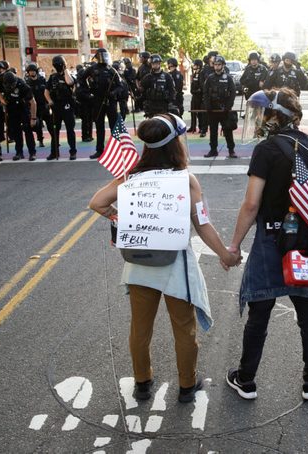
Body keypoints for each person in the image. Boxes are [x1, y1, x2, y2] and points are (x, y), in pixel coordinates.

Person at [88, 113, 240, 403]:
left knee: (140, 328)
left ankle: (142, 383)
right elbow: (203, 224)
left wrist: (119, 217)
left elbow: (97, 202)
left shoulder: (131, 177)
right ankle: (186, 385)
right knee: (184, 328)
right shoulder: (186, 179)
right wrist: (226, 255)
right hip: (174, 267)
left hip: (139, 263)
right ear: (176, 144)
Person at [224, 87, 308, 401]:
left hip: (270, 238)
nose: (256, 120)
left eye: (261, 113)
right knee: (307, 310)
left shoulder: (266, 150)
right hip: (304, 242)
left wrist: (234, 245)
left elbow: (251, 204)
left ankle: (247, 379)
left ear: (274, 116)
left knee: (260, 311)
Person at [87, 48, 127, 159]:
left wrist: (113, 93)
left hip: (110, 101)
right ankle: (99, 150)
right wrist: (88, 93)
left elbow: (120, 86)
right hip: (97, 101)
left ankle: (117, 150)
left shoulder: (111, 70)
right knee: (99, 127)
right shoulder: (92, 69)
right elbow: (81, 79)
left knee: (114, 127)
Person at [0, 71, 37, 161]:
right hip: (11, 108)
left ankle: (32, 152)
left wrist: (33, 118)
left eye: (12, 85)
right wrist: (2, 100)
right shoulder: (2, 81)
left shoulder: (23, 86)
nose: (10, 87)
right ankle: (19, 152)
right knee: (16, 131)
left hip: (23, 107)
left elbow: (33, 103)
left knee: (27, 130)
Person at [203, 55, 236, 158]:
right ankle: (213, 150)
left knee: (227, 130)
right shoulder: (210, 78)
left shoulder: (228, 78)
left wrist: (228, 107)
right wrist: (207, 106)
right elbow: (205, 93)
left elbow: (233, 93)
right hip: (213, 110)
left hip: (224, 110)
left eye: (219, 65)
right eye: (215, 64)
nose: (217, 66)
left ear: (223, 65)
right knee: (213, 131)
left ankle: (231, 150)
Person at [44, 55, 77, 160]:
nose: (58, 66)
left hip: (67, 106)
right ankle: (54, 152)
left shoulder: (69, 75)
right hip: (56, 107)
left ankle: (72, 152)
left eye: (60, 65)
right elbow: (46, 91)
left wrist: (65, 70)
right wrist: (49, 101)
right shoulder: (52, 77)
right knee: (55, 131)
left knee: (70, 130)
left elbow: (70, 82)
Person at [25, 63, 49, 148]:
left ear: (36, 71)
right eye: (30, 71)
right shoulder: (27, 82)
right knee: (38, 125)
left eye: (33, 71)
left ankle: (55, 139)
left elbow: (47, 91)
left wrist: (48, 102)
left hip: (44, 105)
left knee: (50, 123)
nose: (32, 72)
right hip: (34, 107)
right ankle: (40, 140)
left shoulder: (42, 79)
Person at [75, 63, 94, 142]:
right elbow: (80, 93)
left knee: (90, 119)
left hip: (89, 103)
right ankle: (85, 136)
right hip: (83, 104)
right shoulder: (80, 82)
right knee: (85, 120)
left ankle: (89, 134)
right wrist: (89, 96)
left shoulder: (87, 81)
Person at [189, 59, 204, 133]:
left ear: (198, 66)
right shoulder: (194, 74)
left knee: (200, 113)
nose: (193, 66)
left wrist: (197, 91)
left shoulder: (201, 74)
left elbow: (201, 87)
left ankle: (201, 127)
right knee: (193, 112)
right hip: (194, 97)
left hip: (200, 97)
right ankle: (193, 127)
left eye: (195, 65)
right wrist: (193, 91)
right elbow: (193, 85)